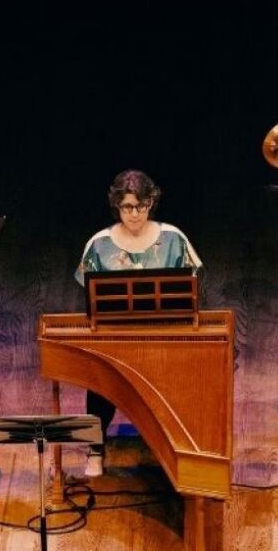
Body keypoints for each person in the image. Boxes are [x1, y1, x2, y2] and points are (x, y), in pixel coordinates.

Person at [74, 169, 201, 476]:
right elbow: (90, 298)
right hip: (115, 336)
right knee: (100, 380)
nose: (134, 214)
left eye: (141, 206)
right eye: (128, 207)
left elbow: (191, 290)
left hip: (164, 336)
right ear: (117, 205)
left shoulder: (173, 238)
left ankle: (176, 448)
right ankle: (95, 449)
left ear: (150, 203)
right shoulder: (99, 244)